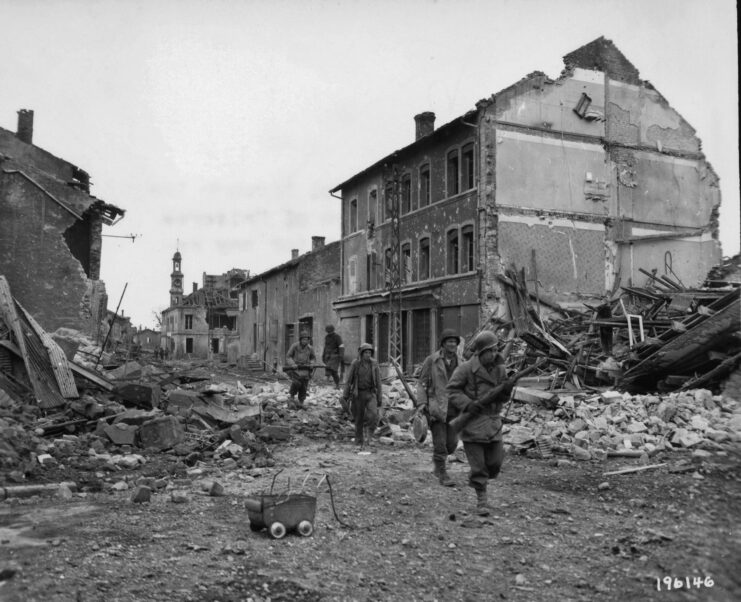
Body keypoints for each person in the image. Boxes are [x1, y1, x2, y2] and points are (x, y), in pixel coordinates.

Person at [446, 331, 515, 516]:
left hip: (493, 423)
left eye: (495, 350)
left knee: (495, 463)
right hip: (473, 424)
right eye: (489, 351)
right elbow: (452, 390)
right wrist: (469, 404)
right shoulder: (466, 369)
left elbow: (503, 397)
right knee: (478, 467)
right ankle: (482, 500)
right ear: (480, 352)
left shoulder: (500, 369)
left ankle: (482, 483)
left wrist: (507, 390)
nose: (493, 354)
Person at [416, 329, 463, 487]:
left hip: (454, 409)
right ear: (442, 344)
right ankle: (442, 473)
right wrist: (422, 403)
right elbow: (421, 383)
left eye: (454, 342)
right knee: (441, 444)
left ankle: (437, 465)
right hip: (436, 407)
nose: (452, 344)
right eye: (449, 341)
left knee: (451, 445)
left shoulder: (461, 362)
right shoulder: (432, 360)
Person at [341, 343, 382, 450]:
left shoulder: (374, 364)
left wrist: (380, 397)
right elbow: (349, 381)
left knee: (373, 415)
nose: (368, 355)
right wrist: (345, 396)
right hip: (358, 393)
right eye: (366, 353)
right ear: (361, 353)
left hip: (370, 393)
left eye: (370, 353)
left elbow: (378, 382)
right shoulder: (356, 364)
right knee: (358, 418)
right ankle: (359, 439)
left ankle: (369, 436)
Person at [285, 331, 316, 409]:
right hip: (296, 369)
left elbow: (313, 358)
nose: (305, 341)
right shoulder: (294, 346)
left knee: (304, 386)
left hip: (305, 369)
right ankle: (291, 397)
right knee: (296, 383)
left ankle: (301, 402)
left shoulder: (310, 348)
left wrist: (312, 364)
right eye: (303, 339)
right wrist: (292, 364)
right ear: (300, 339)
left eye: (306, 339)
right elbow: (288, 356)